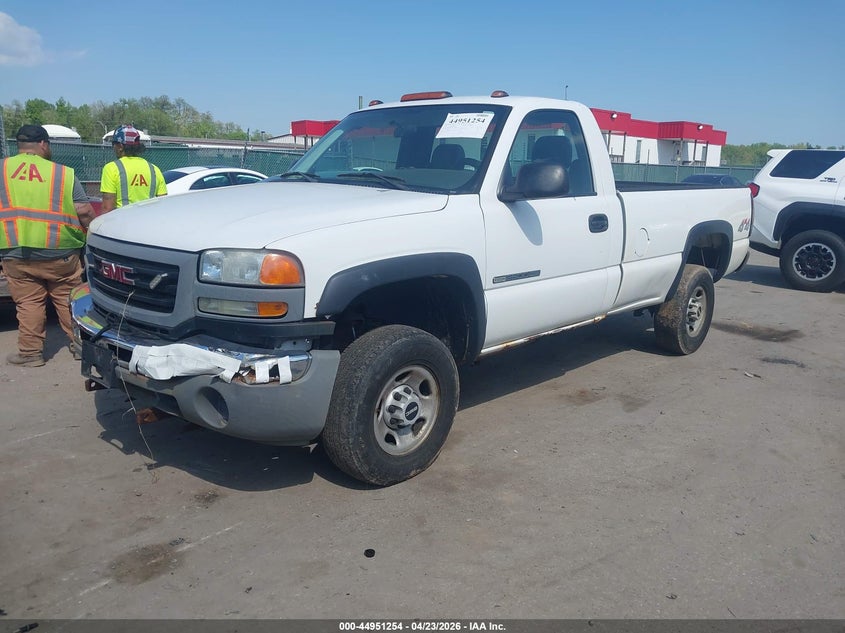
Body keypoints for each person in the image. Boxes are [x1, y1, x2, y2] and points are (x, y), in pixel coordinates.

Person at [0, 124, 96, 367]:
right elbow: (84, 211)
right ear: (43, 144)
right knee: (67, 299)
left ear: (19, 145)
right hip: (60, 251)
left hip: (14, 250)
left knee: (28, 302)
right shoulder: (63, 173)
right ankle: (82, 348)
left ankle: (30, 354)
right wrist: (91, 236)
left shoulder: (2, 169)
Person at [99, 124, 166, 212]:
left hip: (122, 220)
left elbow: (107, 208)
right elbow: (163, 205)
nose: (113, 147)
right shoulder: (154, 169)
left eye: (114, 144)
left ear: (120, 147)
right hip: (149, 219)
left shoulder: (111, 168)